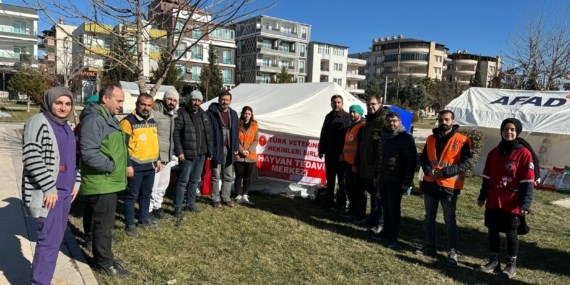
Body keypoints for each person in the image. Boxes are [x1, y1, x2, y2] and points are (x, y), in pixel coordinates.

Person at [22, 87, 81, 285]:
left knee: (55, 239)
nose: (63, 108)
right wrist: (49, 187)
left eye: (67, 103)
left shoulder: (65, 125)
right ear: (49, 102)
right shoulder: (38, 122)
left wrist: (76, 181)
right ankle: (39, 282)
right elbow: (31, 156)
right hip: (49, 194)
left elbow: (73, 158)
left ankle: (45, 278)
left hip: (65, 192)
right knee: (48, 241)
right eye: (58, 103)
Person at [79, 84, 129, 277]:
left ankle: (104, 256)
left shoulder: (106, 117)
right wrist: (112, 166)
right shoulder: (94, 119)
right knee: (104, 226)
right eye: (119, 100)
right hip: (102, 181)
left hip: (107, 181)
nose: (121, 105)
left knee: (99, 223)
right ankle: (105, 264)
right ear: (105, 99)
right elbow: (89, 153)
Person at [477, 118, 536, 279]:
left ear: (517, 132)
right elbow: (487, 178)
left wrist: (525, 203)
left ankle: (511, 264)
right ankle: (494, 260)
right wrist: (483, 196)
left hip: (512, 201)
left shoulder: (523, 153)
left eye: (512, 130)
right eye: (505, 129)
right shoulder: (493, 153)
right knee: (493, 230)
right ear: (501, 131)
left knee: (511, 232)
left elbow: (527, 181)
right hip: (494, 199)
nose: (508, 132)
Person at [416, 110, 472, 267]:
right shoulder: (431, 138)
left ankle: (452, 251)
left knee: (449, 221)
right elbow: (424, 158)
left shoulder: (462, 140)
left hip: (449, 186)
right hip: (430, 184)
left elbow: (466, 163)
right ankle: (430, 246)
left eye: (446, 119)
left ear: (453, 121)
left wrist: (445, 172)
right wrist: (428, 171)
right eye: (440, 119)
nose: (443, 122)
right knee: (429, 218)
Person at [372, 112, 417, 247]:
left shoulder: (405, 138)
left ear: (400, 123)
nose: (391, 123)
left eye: (395, 121)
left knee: (393, 209)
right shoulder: (383, 137)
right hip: (382, 179)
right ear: (385, 122)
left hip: (396, 180)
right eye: (389, 121)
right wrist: (376, 175)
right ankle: (385, 231)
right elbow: (379, 158)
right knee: (385, 207)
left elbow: (411, 161)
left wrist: (406, 182)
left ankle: (393, 236)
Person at [120, 94, 162, 237]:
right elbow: (122, 146)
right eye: (143, 104)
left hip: (150, 165)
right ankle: (129, 224)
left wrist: (158, 159)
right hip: (135, 166)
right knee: (131, 196)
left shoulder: (151, 120)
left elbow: (154, 142)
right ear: (137, 104)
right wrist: (127, 165)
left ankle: (143, 220)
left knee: (146, 194)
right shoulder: (128, 122)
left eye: (149, 105)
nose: (146, 108)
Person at [173, 90, 214, 218]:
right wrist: (179, 151)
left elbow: (209, 134)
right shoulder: (182, 113)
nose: (196, 103)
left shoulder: (204, 114)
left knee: (194, 181)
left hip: (201, 154)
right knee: (182, 182)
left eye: (198, 100)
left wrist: (209, 151)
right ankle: (178, 208)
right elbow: (176, 134)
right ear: (189, 100)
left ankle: (191, 204)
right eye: (194, 100)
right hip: (187, 154)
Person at [356, 95, 390, 232]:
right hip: (367, 165)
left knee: (379, 196)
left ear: (380, 104)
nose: (371, 107)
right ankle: (373, 219)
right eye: (368, 104)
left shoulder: (384, 119)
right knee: (372, 194)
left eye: (373, 104)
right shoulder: (369, 120)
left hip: (378, 165)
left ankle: (381, 223)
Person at [149, 89, 179, 220]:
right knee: (153, 186)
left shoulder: (175, 115)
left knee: (163, 184)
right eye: (169, 99)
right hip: (156, 155)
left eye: (174, 100)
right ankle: (148, 210)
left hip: (168, 155)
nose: (171, 102)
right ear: (165, 99)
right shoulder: (155, 112)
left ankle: (157, 207)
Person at [318, 95, 351, 210]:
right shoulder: (328, 116)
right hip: (330, 154)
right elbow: (324, 133)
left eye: (338, 102)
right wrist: (321, 149)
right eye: (334, 102)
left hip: (341, 156)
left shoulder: (347, 117)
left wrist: (344, 153)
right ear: (331, 103)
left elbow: (347, 138)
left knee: (342, 182)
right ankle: (328, 203)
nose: (336, 104)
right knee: (330, 180)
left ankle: (341, 204)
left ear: (342, 104)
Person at [207, 90, 239, 208]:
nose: (224, 102)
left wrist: (236, 147)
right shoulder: (211, 113)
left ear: (230, 101)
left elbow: (236, 132)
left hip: (229, 149)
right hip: (217, 149)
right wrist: (210, 150)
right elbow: (208, 133)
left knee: (228, 175)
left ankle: (226, 198)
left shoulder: (234, 114)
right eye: (222, 99)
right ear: (219, 100)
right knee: (216, 175)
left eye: (227, 100)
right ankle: (215, 199)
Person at [339, 104, 366, 219]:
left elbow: (360, 147)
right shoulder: (351, 126)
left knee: (358, 190)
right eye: (350, 112)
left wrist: (356, 163)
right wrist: (343, 154)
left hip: (356, 165)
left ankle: (359, 214)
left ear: (360, 113)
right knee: (349, 188)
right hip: (348, 163)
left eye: (354, 112)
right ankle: (352, 209)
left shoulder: (361, 127)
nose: (352, 114)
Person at [234, 106, 259, 204]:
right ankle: (238, 195)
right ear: (242, 113)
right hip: (239, 155)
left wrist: (249, 150)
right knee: (238, 176)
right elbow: (235, 138)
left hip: (250, 155)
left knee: (247, 176)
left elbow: (256, 140)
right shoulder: (237, 124)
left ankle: (245, 194)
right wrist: (241, 150)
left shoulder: (255, 125)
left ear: (251, 115)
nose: (247, 116)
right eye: (245, 113)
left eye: (249, 114)